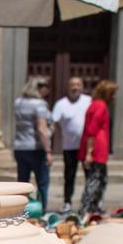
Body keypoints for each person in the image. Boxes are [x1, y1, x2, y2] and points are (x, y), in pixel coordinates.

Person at [51, 76, 91, 214]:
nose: (75, 87)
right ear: (68, 87)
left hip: (86, 147)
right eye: (72, 85)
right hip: (69, 146)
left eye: (78, 85)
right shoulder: (61, 104)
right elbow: (53, 123)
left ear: (82, 86)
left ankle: (88, 203)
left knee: (89, 175)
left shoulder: (88, 101)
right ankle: (67, 202)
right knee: (69, 175)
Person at [78, 80, 118, 217]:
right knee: (94, 182)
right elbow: (92, 130)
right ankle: (86, 209)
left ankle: (93, 208)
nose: (114, 97)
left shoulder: (94, 105)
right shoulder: (100, 106)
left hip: (96, 150)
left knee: (100, 180)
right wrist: (89, 153)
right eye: (112, 94)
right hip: (96, 151)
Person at [13, 76, 53, 212]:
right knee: (42, 183)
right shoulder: (39, 104)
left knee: (22, 183)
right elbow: (42, 129)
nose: (47, 90)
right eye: (45, 87)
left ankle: (20, 210)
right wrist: (48, 151)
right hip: (36, 148)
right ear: (38, 88)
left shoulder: (18, 102)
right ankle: (41, 212)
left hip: (20, 147)